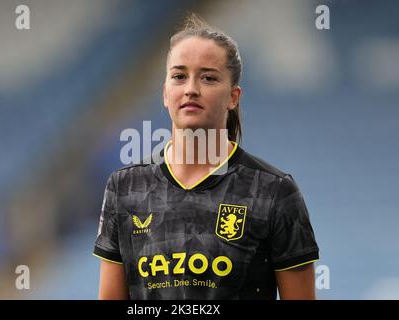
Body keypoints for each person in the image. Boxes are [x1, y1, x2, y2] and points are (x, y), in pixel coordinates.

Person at [93, 13, 319, 300]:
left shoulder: (274, 191)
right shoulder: (125, 187)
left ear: (233, 97)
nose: (191, 89)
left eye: (208, 78)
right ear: (165, 93)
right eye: (179, 76)